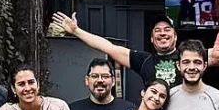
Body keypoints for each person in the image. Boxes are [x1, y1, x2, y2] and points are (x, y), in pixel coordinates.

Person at [51, 12, 182, 88]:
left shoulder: (187, 58)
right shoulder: (144, 60)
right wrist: (76, 31)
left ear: (175, 36)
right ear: (152, 39)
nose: (162, 33)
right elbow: (107, 47)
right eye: (157, 31)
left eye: (167, 29)